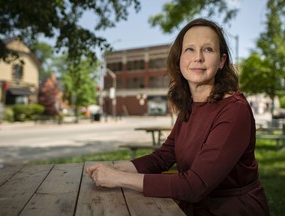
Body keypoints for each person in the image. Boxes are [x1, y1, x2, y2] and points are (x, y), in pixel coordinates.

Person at [85, 18, 270, 216]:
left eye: (208, 49)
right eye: (190, 49)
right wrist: (117, 168)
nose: (198, 57)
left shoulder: (235, 110)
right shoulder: (190, 105)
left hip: (233, 210)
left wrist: (118, 178)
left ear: (221, 61)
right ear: (179, 58)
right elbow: (164, 156)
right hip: (194, 208)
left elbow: (195, 185)